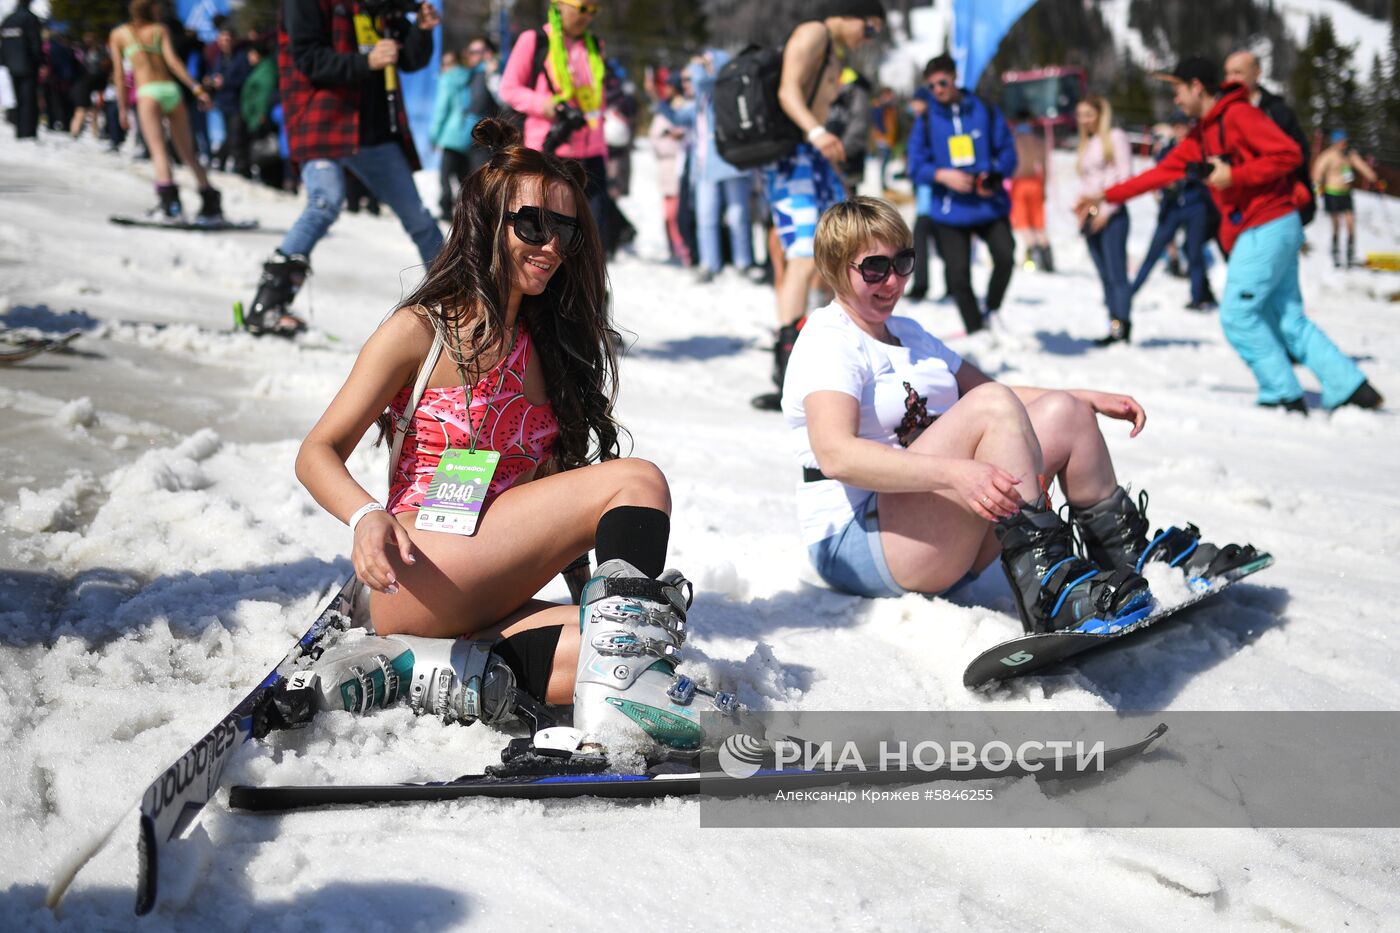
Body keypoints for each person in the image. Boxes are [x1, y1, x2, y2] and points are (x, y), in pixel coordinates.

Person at [295, 119, 720, 757]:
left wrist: (608, 618)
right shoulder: (421, 330)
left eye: (566, 229)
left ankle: (422, 671)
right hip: (423, 566)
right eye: (533, 225)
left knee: (609, 648)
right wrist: (364, 516)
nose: (552, 245)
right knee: (638, 481)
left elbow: (552, 514)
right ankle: (622, 709)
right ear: (487, 223)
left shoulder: (545, 350)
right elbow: (316, 452)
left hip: (483, 587)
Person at [781, 197, 1258, 633]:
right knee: (991, 405)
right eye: (875, 268)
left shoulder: (907, 332)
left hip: (929, 530)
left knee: (1061, 412)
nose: (893, 281)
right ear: (834, 269)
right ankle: (1047, 590)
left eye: (903, 262)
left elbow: (996, 393)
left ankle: (1130, 556)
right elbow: (837, 455)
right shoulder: (830, 340)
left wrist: (1084, 397)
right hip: (857, 542)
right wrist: (955, 476)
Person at [1077, 57, 1383, 414]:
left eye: (1177, 89)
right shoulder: (1201, 134)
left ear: (1196, 86)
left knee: (1238, 315)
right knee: (1287, 317)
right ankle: (1351, 387)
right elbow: (1160, 174)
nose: (1175, 99)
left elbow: (1289, 154)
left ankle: (1282, 393)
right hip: (1268, 225)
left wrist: (1235, 176)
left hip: (1269, 222)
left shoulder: (1237, 115)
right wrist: (1106, 196)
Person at [243, 0, 444, 337]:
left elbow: (410, 59)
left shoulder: (379, 5)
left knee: (419, 217)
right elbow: (307, 59)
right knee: (324, 202)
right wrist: (366, 61)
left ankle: (460, 301)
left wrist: (423, 30)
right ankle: (268, 305)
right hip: (323, 121)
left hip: (374, 133)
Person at [754, 1, 886, 411]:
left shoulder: (832, 49)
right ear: (851, 13)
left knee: (840, 246)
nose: (869, 39)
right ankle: (788, 362)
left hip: (812, 157)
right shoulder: (813, 32)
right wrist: (815, 131)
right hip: (794, 155)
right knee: (802, 256)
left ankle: (830, 343)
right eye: (870, 29)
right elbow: (787, 89)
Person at [906, 54, 1017, 336]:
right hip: (949, 210)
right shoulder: (927, 120)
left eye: (942, 83)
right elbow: (915, 165)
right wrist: (942, 175)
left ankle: (991, 309)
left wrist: (993, 175)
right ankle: (976, 329)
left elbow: (1008, 153)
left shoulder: (985, 109)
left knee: (1005, 256)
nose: (938, 90)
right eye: (931, 86)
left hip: (989, 205)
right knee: (957, 276)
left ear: (955, 78)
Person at [498, 0, 611, 247]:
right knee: (546, 238)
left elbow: (598, 102)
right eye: (582, 7)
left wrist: (603, 151)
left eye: (593, 10)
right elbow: (508, 88)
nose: (587, 16)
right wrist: (544, 104)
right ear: (560, 4)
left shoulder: (595, 46)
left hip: (592, 156)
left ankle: (590, 286)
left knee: (592, 241)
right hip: (551, 153)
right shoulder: (535, 40)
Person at [109, 0, 223, 222]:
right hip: (171, 90)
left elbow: (119, 75)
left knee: (159, 150)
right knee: (187, 152)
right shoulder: (160, 30)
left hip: (148, 92)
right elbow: (173, 62)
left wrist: (122, 108)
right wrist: (196, 88)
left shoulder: (119, 34)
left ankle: (170, 205)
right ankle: (210, 201)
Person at [1131, 113, 1216, 310]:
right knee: (1154, 250)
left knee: (1194, 252)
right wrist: (1164, 187)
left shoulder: (1199, 149)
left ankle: (1199, 297)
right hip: (1171, 208)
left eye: (1182, 127)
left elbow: (1205, 177)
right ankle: (1131, 291)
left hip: (1195, 207)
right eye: (1176, 127)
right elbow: (1158, 173)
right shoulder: (1167, 150)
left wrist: (1188, 179)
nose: (1179, 131)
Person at [1223, 50, 1314, 226]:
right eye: (1228, 73)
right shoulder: (1222, 111)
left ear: (1257, 73)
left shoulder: (1276, 111)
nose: (1231, 79)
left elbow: (1299, 154)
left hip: (1274, 202)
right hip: (1237, 205)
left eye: (1238, 72)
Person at [686, 50, 754, 283]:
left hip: (731, 161)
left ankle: (743, 262)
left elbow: (703, 81)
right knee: (706, 217)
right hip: (706, 166)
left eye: (710, 63)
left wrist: (697, 66)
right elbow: (681, 116)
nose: (706, 67)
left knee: (737, 216)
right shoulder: (702, 97)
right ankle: (709, 263)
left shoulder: (725, 85)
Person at [1074, 96, 1134, 345]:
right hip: (1091, 213)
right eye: (1080, 115)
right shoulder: (1087, 143)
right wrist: (1079, 207)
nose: (1084, 120)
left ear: (1100, 113)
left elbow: (1125, 176)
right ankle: (1112, 322)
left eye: (1089, 113)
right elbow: (1087, 182)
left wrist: (1107, 211)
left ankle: (1122, 326)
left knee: (1116, 273)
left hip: (1112, 214)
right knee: (1104, 275)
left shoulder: (1115, 137)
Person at [1312, 129, 1377, 269]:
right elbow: (1317, 172)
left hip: (1346, 194)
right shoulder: (1328, 155)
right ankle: (1335, 253)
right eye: (1342, 141)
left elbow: (1362, 166)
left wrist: (1374, 178)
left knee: (1350, 224)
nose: (1344, 143)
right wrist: (1317, 190)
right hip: (1332, 193)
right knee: (1336, 225)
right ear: (1335, 142)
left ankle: (1350, 255)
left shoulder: (1349, 154)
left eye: (1345, 141)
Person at [648, 73, 691, 266]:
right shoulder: (663, 110)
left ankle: (683, 246)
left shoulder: (685, 107)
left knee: (677, 211)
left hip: (681, 165)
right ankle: (673, 246)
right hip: (667, 166)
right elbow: (655, 139)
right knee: (668, 212)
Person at [430, 49, 476, 220]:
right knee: (463, 177)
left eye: (446, 64)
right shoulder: (470, 77)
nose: (443, 67)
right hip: (468, 134)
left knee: (445, 175)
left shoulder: (447, 80)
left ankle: (445, 208)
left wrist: (434, 135)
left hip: (450, 134)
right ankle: (467, 210)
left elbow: (441, 110)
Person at [1009, 109, 1052, 272]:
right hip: (1036, 184)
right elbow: (1045, 167)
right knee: (1038, 223)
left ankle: (1032, 255)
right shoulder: (1038, 141)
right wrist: (1044, 187)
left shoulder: (1014, 140)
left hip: (1020, 184)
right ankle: (1047, 257)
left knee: (1023, 223)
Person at [207, 25, 251, 177]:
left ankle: (240, 167)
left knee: (236, 136)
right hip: (224, 102)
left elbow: (245, 79)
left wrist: (225, 82)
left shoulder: (241, 56)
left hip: (238, 103)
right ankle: (221, 161)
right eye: (222, 39)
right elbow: (215, 75)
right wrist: (212, 82)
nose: (224, 42)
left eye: (227, 39)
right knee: (230, 135)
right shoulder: (219, 57)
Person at [1, 0, 44, 139]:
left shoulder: (8, 19)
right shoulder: (30, 18)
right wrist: (41, 62)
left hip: (11, 65)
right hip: (28, 65)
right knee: (28, 100)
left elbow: (4, 44)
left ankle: (20, 130)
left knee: (19, 99)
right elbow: (35, 42)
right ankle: (28, 132)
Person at [869, 86, 898, 192]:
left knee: (887, 161)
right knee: (883, 162)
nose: (891, 97)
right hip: (882, 139)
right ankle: (883, 184)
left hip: (888, 139)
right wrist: (884, 134)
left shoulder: (889, 107)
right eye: (889, 95)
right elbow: (877, 121)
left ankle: (885, 183)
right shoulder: (879, 106)